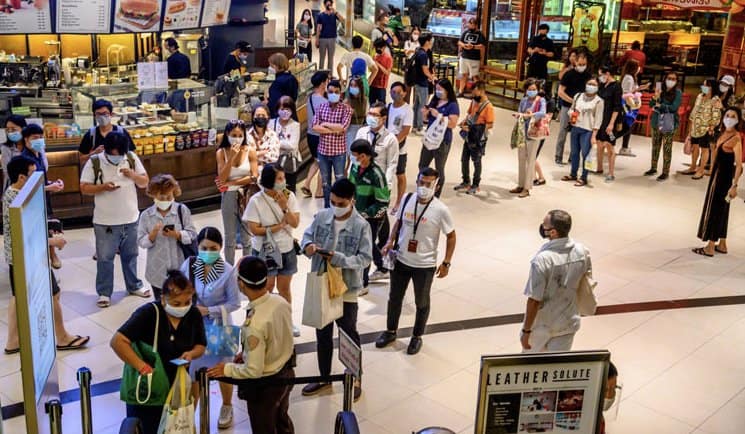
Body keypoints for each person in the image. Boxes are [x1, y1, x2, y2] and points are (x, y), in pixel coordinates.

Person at [3, 156, 89, 355]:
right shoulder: (17, 201)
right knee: (53, 294)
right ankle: (62, 337)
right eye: (34, 174)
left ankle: (13, 341)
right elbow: (24, 235)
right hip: (28, 257)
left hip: (18, 258)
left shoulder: (17, 193)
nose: (39, 180)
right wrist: (53, 242)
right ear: (22, 177)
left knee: (19, 297)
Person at [206, 256, 296, 434]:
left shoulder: (254, 325)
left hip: (266, 385)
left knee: (264, 427)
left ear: (241, 284)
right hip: (287, 373)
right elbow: (279, 337)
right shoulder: (280, 301)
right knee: (281, 419)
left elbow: (254, 371)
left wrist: (227, 369)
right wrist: (247, 353)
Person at [300, 178, 372, 400]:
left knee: (348, 333)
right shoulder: (322, 216)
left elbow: (365, 258)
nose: (336, 206)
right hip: (322, 282)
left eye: (341, 203)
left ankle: (355, 376)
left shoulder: (361, 226)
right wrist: (308, 247)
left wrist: (338, 258)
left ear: (351, 201)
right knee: (322, 332)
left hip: (346, 288)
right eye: (333, 202)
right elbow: (306, 237)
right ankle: (323, 377)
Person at [111, 270, 206, 434]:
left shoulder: (193, 314)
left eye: (187, 302)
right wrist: (141, 366)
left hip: (177, 387)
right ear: (163, 299)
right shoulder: (148, 313)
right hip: (148, 390)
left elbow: (201, 345)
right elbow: (118, 341)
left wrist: (191, 354)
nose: (183, 307)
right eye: (176, 304)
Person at [376, 167, 455, 355]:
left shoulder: (441, 210)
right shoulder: (407, 199)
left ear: (436, 186)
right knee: (394, 298)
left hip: (424, 265)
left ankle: (417, 336)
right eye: (421, 182)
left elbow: (451, 236)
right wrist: (390, 241)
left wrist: (446, 262)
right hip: (401, 260)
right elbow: (399, 222)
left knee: (421, 301)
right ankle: (390, 331)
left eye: (428, 184)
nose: (423, 187)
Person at [181, 227, 242, 430]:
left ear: (220, 248)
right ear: (198, 247)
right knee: (194, 370)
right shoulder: (189, 265)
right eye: (204, 248)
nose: (208, 251)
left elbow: (235, 303)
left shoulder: (228, 270)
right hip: (194, 327)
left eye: (213, 248)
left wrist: (209, 310)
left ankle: (227, 405)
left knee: (222, 369)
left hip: (221, 325)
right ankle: (191, 413)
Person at [80, 131, 149, 308]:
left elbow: (144, 182)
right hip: (105, 221)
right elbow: (84, 188)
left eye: (121, 154)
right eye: (113, 155)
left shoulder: (131, 157)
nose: (117, 158)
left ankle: (134, 286)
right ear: (106, 150)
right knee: (105, 258)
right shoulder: (95, 161)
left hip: (131, 217)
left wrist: (132, 175)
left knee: (131, 255)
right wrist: (103, 187)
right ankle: (104, 293)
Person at [521, 210, 591, 352]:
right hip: (568, 322)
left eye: (545, 225)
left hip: (542, 325)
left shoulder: (542, 260)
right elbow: (586, 282)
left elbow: (534, 300)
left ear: (553, 232)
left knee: (531, 368)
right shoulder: (582, 251)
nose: (542, 227)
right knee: (556, 369)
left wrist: (526, 330)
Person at [243, 164, 301, 335]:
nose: (284, 182)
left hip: (286, 249)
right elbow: (254, 229)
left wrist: (284, 207)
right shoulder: (256, 201)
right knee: (265, 289)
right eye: (280, 179)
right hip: (264, 252)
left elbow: (295, 223)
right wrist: (278, 226)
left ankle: (287, 322)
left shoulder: (289, 197)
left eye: (284, 178)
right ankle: (261, 323)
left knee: (284, 289)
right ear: (270, 181)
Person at [137, 174, 197, 301]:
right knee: (161, 303)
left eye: (169, 197)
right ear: (153, 195)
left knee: (181, 301)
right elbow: (141, 241)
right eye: (161, 197)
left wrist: (178, 234)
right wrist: (152, 235)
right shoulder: (146, 215)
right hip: (157, 271)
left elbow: (192, 234)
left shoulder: (182, 210)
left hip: (180, 268)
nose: (165, 200)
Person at [693, 107, 742, 257]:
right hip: (716, 175)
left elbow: (739, 164)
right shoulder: (723, 133)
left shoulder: (736, 138)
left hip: (723, 179)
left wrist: (734, 185)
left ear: (738, 119)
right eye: (727, 115)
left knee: (715, 209)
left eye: (733, 116)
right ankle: (722, 243)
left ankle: (710, 246)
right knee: (722, 209)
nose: (729, 118)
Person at [348, 139, 390, 291]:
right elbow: (350, 186)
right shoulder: (354, 167)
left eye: (355, 155)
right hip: (356, 214)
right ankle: (383, 267)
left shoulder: (376, 174)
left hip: (372, 217)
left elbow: (383, 201)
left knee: (365, 248)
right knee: (369, 245)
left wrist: (367, 214)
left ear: (365, 156)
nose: (353, 158)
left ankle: (363, 284)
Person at [216, 120, 259, 265]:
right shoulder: (221, 153)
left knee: (247, 236)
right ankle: (229, 268)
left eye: (240, 135)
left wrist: (233, 183)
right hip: (228, 196)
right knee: (230, 237)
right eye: (234, 135)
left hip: (246, 195)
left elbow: (254, 177)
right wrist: (232, 158)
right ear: (227, 134)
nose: (237, 138)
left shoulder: (250, 151)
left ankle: (247, 266)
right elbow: (221, 178)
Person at [312, 79, 353, 208]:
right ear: (327, 93)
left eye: (336, 92)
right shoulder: (321, 107)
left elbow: (343, 127)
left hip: (339, 152)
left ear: (341, 94)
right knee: (325, 183)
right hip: (323, 151)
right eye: (330, 92)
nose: (333, 94)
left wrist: (325, 125)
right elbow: (314, 127)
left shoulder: (346, 109)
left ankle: (341, 208)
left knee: (340, 181)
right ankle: (327, 208)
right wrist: (334, 130)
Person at [420, 78, 460, 197]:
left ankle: (436, 193)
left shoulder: (452, 105)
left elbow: (452, 124)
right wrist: (425, 114)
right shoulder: (434, 101)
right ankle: (424, 186)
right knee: (423, 164)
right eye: (436, 89)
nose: (437, 92)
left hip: (442, 141)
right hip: (429, 138)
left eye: (440, 89)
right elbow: (427, 120)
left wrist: (439, 116)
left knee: (439, 168)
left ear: (447, 90)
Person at [454, 80, 494, 195]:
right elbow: (469, 115)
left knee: (476, 161)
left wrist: (473, 129)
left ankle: (476, 184)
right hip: (468, 136)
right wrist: (463, 123)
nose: (473, 95)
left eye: (475, 92)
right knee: (464, 159)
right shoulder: (473, 102)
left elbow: (490, 124)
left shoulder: (488, 107)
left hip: (478, 138)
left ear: (481, 91)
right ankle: (466, 181)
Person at [562, 78, 603, 187]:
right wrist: (572, 113)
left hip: (588, 130)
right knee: (574, 153)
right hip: (576, 127)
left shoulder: (599, 101)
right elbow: (571, 109)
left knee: (585, 154)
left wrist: (594, 135)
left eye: (593, 84)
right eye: (589, 83)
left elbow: (598, 119)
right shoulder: (578, 96)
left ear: (598, 87)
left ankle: (584, 177)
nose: (591, 86)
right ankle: (573, 174)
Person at [510, 78, 546, 198]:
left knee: (530, 161)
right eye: (530, 89)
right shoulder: (524, 100)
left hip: (533, 133)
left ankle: (527, 188)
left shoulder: (541, 100)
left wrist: (530, 115)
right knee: (521, 159)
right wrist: (521, 115)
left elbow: (542, 113)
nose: (532, 91)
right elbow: (520, 112)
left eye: (534, 89)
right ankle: (520, 184)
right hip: (522, 132)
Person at [680, 78, 721, 179]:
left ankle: (701, 170)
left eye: (706, 85)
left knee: (705, 149)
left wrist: (711, 127)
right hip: (695, 127)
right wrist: (691, 124)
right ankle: (693, 167)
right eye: (703, 85)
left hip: (706, 129)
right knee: (695, 148)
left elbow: (716, 115)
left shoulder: (715, 100)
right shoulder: (699, 96)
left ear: (712, 87)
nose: (704, 87)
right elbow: (694, 110)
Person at [645, 71, 682, 181]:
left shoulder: (678, 93)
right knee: (655, 146)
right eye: (669, 78)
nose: (670, 80)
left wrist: (659, 106)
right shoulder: (660, 90)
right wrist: (656, 96)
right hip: (656, 121)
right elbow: (651, 104)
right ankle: (653, 167)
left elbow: (674, 108)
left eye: (673, 79)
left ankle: (665, 171)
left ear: (676, 81)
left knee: (667, 148)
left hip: (668, 121)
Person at [555, 52, 591, 165]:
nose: (582, 66)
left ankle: (573, 157)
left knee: (576, 133)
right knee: (563, 131)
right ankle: (558, 156)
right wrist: (573, 101)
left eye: (584, 64)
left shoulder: (588, 76)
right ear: (575, 62)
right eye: (580, 63)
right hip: (567, 106)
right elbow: (560, 92)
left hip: (581, 109)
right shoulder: (568, 74)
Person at [355, 101, 399, 193]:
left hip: (378, 182)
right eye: (370, 114)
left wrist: (386, 186)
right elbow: (355, 157)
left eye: (375, 115)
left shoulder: (391, 139)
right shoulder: (361, 132)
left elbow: (391, 165)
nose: (371, 117)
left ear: (383, 119)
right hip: (361, 180)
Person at [78, 99, 136, 164]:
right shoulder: (91, 135)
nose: (102, 117)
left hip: (120, 171)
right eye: (98, 114)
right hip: (98, 172)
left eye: (105, 113)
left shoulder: (121, 132)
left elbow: (132, 155)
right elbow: (81, 159)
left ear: (111, 114)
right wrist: (94, 153)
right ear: (94, 116)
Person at [387, 82, 414, 212]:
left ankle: (399, 202)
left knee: (400, 174)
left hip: (400, 148)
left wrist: (394, 143)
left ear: (404, 93)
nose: (396, 95)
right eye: (393, 92)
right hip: (386, 147)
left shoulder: (407, 110)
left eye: (399, 92)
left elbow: (405, 130)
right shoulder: (388, 108)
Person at [301, 71, 329, 199]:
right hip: (321, 136)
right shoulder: (324, 102)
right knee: (324, 163)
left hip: (310, 135)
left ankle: (306, 184)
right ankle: (319, 191)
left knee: (316, 161)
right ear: (323, 83)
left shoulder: (310, 98)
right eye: (327, 81)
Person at [596, 65, 623, 182]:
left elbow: (617, 107)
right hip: (600, 120)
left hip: (610, 122)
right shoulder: (602, 85)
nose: (600, 77)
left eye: (601, 74)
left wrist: (611, 123)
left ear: (607, 74)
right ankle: (599, 167)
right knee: (599, 144)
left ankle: (611, 173)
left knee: (610, 145)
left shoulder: (616, 87)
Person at [270, 96, 302, 192]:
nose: (285, 112)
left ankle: (289, 206)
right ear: (277, 109)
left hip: (289, 164)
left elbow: (293, 146)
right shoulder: (271, 123)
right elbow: (268, 142)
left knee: (289, 190)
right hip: (274, 161)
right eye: (282, 109)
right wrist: (284, 144)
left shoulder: (295, 125)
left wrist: (276, 142)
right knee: (274, 188)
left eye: (287, 109)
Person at [618, 59, 649, 157]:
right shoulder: (628, 78)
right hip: (627, 105)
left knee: (628, 125)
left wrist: (639, 89)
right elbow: (626, 92)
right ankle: (623, 146)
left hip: (631, 104)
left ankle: (624, 146)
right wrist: (637, 90)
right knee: (627, 125)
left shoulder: (631, 77)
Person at [412, 33, 436, 134]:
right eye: (431, 40)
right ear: (427, 42)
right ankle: (419, 128)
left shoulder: (419, 52)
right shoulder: (423, 54)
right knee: (422, 105)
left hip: (417, 81)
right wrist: (432, 77)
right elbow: (425, 70)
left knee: (417, 104)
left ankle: (415, 126)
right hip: (422, 83)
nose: (432, 42)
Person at [457, 17, 486, 97]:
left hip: (474, 59)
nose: (469, 25)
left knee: (475, 76)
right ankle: (460, 91)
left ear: (476, 25)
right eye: (469, 23)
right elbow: (459, 42)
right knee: (463, 74)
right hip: (464, 57)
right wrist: (464, 45)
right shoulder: (466, 32)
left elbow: (482, 46)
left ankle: (479, 94)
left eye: (471, 24)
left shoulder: (480, 34)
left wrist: (473, 46)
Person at [247, 104, 281, 169]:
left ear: (268, 117)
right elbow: (246, 158)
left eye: (263, 115)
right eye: (258, 115)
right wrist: (263, 152)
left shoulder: (272, 135)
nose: (260, 117)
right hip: (251, 173)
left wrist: (255, 154)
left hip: (268, 174)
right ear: (253, 118)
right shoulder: (247, 136)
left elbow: (274, 158)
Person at [267, 53, 299, 118]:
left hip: (281, 119)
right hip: (291, 115)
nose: (270, 68)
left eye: (271, 66)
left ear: (276, 66)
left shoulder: (278, 82)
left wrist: (266, 101)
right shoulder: (292, 78)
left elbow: (274, 104)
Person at [316, 0, 344, 72]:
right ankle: (321, 74)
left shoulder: (334, 15)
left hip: (332, 38)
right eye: (327, 4)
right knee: (322, 58)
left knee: (330, 58)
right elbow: (318, 28)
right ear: (325, 5)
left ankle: (330, 75)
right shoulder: (320, 15)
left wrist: (336, 12)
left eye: (330, 4)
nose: (329, 6)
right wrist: (317, 39)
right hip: (323, 39)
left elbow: (342, 20)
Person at [1, 115, 27, 191]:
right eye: (7, 130)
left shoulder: (31, 145)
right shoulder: (6, 148)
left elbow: (43, 167)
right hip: (14, 188)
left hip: (33, 187)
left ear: (23, 128)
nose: (10, 132)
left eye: (13, 129)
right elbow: (7, 173)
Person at [345, 76, 368, 157]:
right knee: (351, 153)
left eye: (355, 85)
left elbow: (365, 115)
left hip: (361, 128)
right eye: (351, 85)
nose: (353, 88)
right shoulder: (347, 101)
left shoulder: (364, 100)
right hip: (350, 129)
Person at [370, 38, 393, 105]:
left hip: (381, 86)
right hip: (373, 84)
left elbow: (387, 72)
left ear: (384, 47)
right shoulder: (375, 56)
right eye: (376, 47)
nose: (377, 49)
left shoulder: (388, 58)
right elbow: (371, 70)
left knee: (381, 106)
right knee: (371, 104)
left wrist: (378, 64)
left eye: (379, 47)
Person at [403, 26, 421, 104]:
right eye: (414, 33)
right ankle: (406, 106)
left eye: (417, 33)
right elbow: (406, 53)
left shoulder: (420, 44)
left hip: (417, 68)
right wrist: (412, 50)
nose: (416, 35)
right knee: (407, 88)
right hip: (409, 67)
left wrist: (412, 51)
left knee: (416, 90)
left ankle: (414, 108)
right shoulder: (407, 42)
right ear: (411, 33)